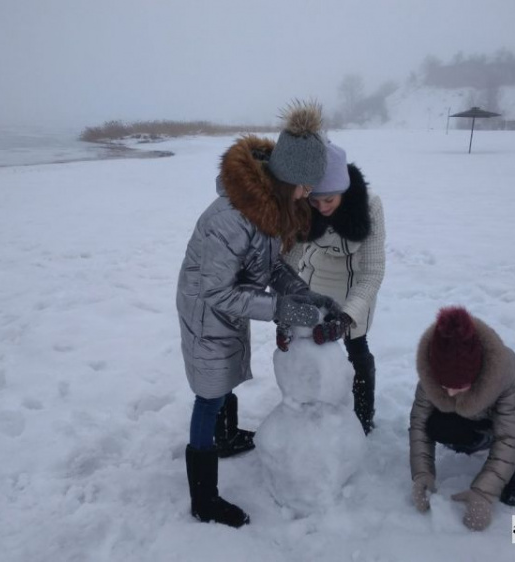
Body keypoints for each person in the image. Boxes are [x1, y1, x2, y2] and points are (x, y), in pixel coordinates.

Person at [177, 100, 337, 528]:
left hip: (228, 300)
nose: (309, 193)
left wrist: (305, 294)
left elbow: (269, 267)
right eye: (305, 185)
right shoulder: (229, 220)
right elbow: (216, 291)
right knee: (210, 392)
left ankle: (226, 438)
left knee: (227, 369)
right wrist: (281, 308)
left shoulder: (269, 208)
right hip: (206, 305)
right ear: (286, 179)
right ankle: (204, 498)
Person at [409, 306, 515, 531]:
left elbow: (509, 436)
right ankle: (482, 439)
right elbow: (419, 423)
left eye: (459, 386)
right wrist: (422, 474)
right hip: (485, 412)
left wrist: (483, 492)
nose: (450, 393)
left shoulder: (504, 373)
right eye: (444, 386)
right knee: (437, 424)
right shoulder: (433, 369)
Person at [282, 141, 386, 434]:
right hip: (316, 281)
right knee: (311, 342)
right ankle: (313, 406)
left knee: (357, 347)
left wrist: (346, 317)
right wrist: (286, 310)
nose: (322, 207)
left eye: (329, 199)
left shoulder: (370, 205)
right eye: (315, 201)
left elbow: (373, 270)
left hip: (355, 282)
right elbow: (289, 261)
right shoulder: (304, 203)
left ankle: (364, 415)